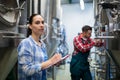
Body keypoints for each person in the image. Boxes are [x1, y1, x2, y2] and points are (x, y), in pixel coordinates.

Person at [17, 14, 62, 80]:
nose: (41, 25)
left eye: (42, 22)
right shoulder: (26, 43)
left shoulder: (42, 44)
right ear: (30, 26)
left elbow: (43, 66)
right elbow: (27, 70)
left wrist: (54, 63)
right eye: (37, 23)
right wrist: (50, 61)